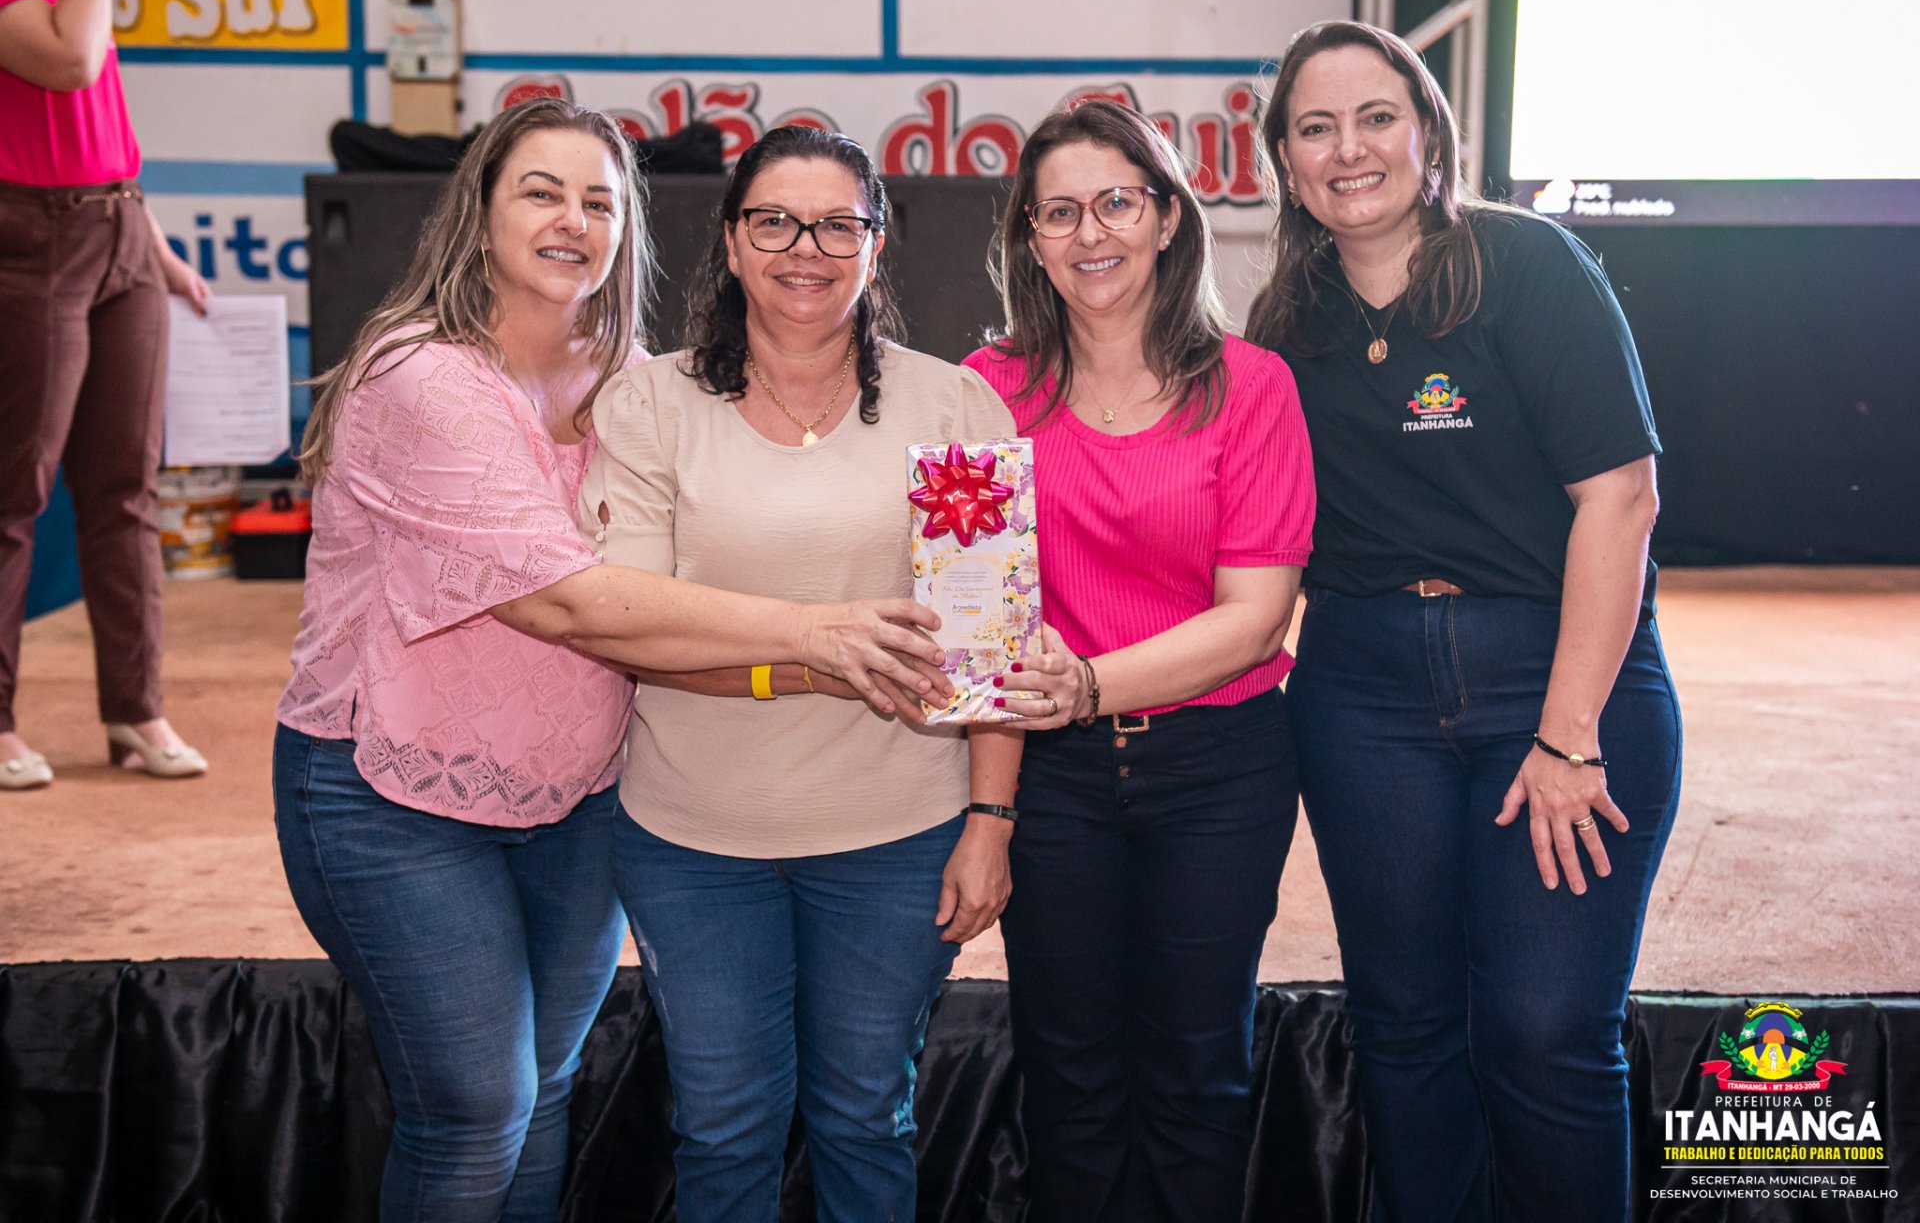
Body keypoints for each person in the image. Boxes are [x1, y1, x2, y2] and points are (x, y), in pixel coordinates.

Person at [273, 100, 951, 1223]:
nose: (573, 221)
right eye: (541, 192)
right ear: (479, 212)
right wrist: (812, 633)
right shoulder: (423, 378)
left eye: (599, 201)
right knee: (477, 1107)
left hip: (577, 792)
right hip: (393, 788)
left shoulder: (628, 382)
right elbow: (565, 602)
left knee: (543, 1092)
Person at [1245, 20, 1682, 1222]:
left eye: (1375, 118)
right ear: (1284, 161)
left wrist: (1568, 733)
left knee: (1546, 1030)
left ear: (1428, 133)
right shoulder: (1285, 324)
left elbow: (1621, 497)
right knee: (1405, 1026)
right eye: (1316, 128)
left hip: (1555, 676)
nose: (1348, 150)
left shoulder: (1526, 263)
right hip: (1362, 692)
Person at [584, 123, 1024, 1223]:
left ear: (876, 244)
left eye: (838, 225)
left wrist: (989, 820)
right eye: (775, 222)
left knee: (866, 1118)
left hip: (898, 835)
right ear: (732, 242)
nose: (806, 249)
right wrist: (810, 658)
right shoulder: (649, 406)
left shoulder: (952, 408)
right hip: (691, 839)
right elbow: (631, 627)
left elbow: (988, 648)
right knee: (723, 1128)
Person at [966, 99, 1315, 1223]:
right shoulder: (986, 387)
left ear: (1168, 218)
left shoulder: (1253, 385)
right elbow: (977, 617)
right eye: (1058, 212)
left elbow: (1254, 619)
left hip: (1220, 768)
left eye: (1117, 203)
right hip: (1053, 776)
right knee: (1067, 1075)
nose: (1091, 233)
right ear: (1030, 240)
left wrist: (1088, 684)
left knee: (1197, 1072)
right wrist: (994, 803)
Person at [0, 0, 214, 791]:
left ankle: (136, 709)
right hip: (33, 237)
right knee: (15, 490)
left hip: (120, 226)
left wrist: (154, 247)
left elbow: (101, 121)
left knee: (126, 488)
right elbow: (71, 62)